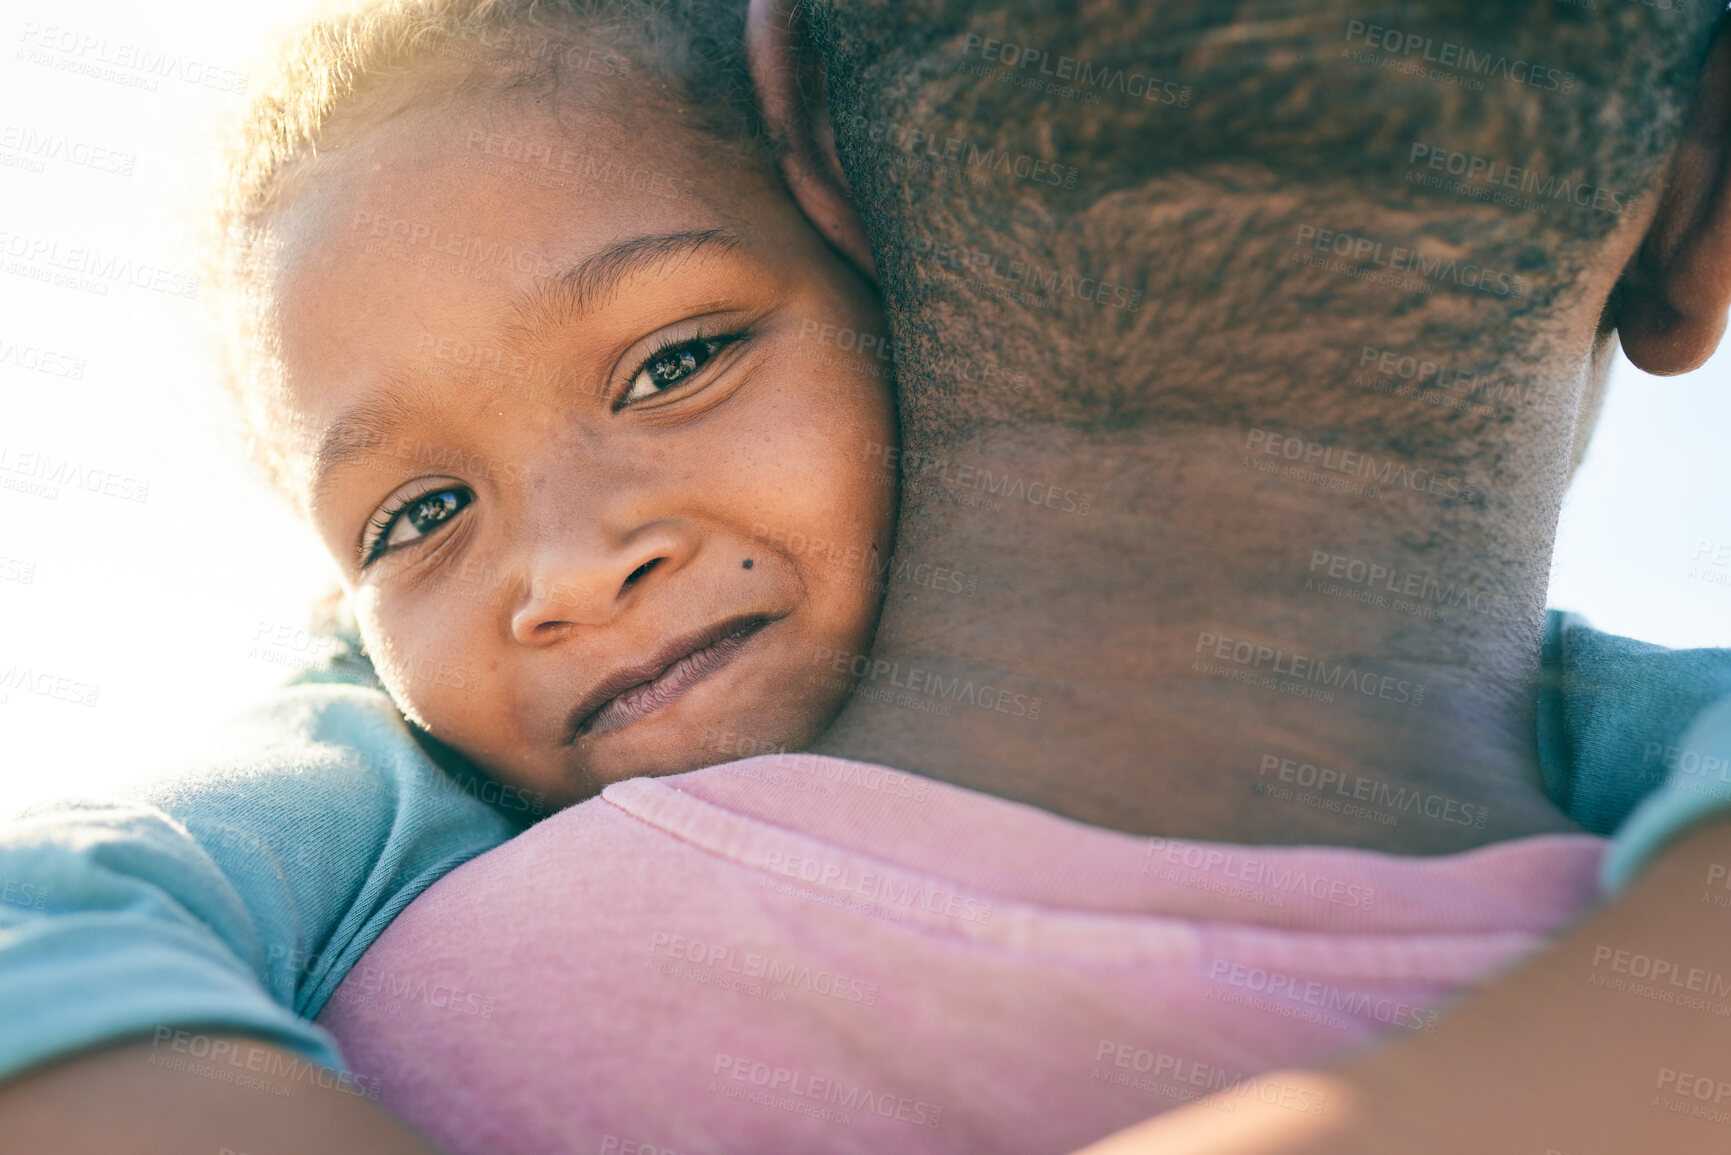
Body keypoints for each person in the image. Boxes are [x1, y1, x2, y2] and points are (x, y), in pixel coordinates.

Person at [3, 1, 1731, 1153]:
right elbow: (43, 911)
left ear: (892, 268)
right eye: (412, 517)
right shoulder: (380, 784)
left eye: (676, 363)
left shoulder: (1605, 722)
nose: (568, 569)